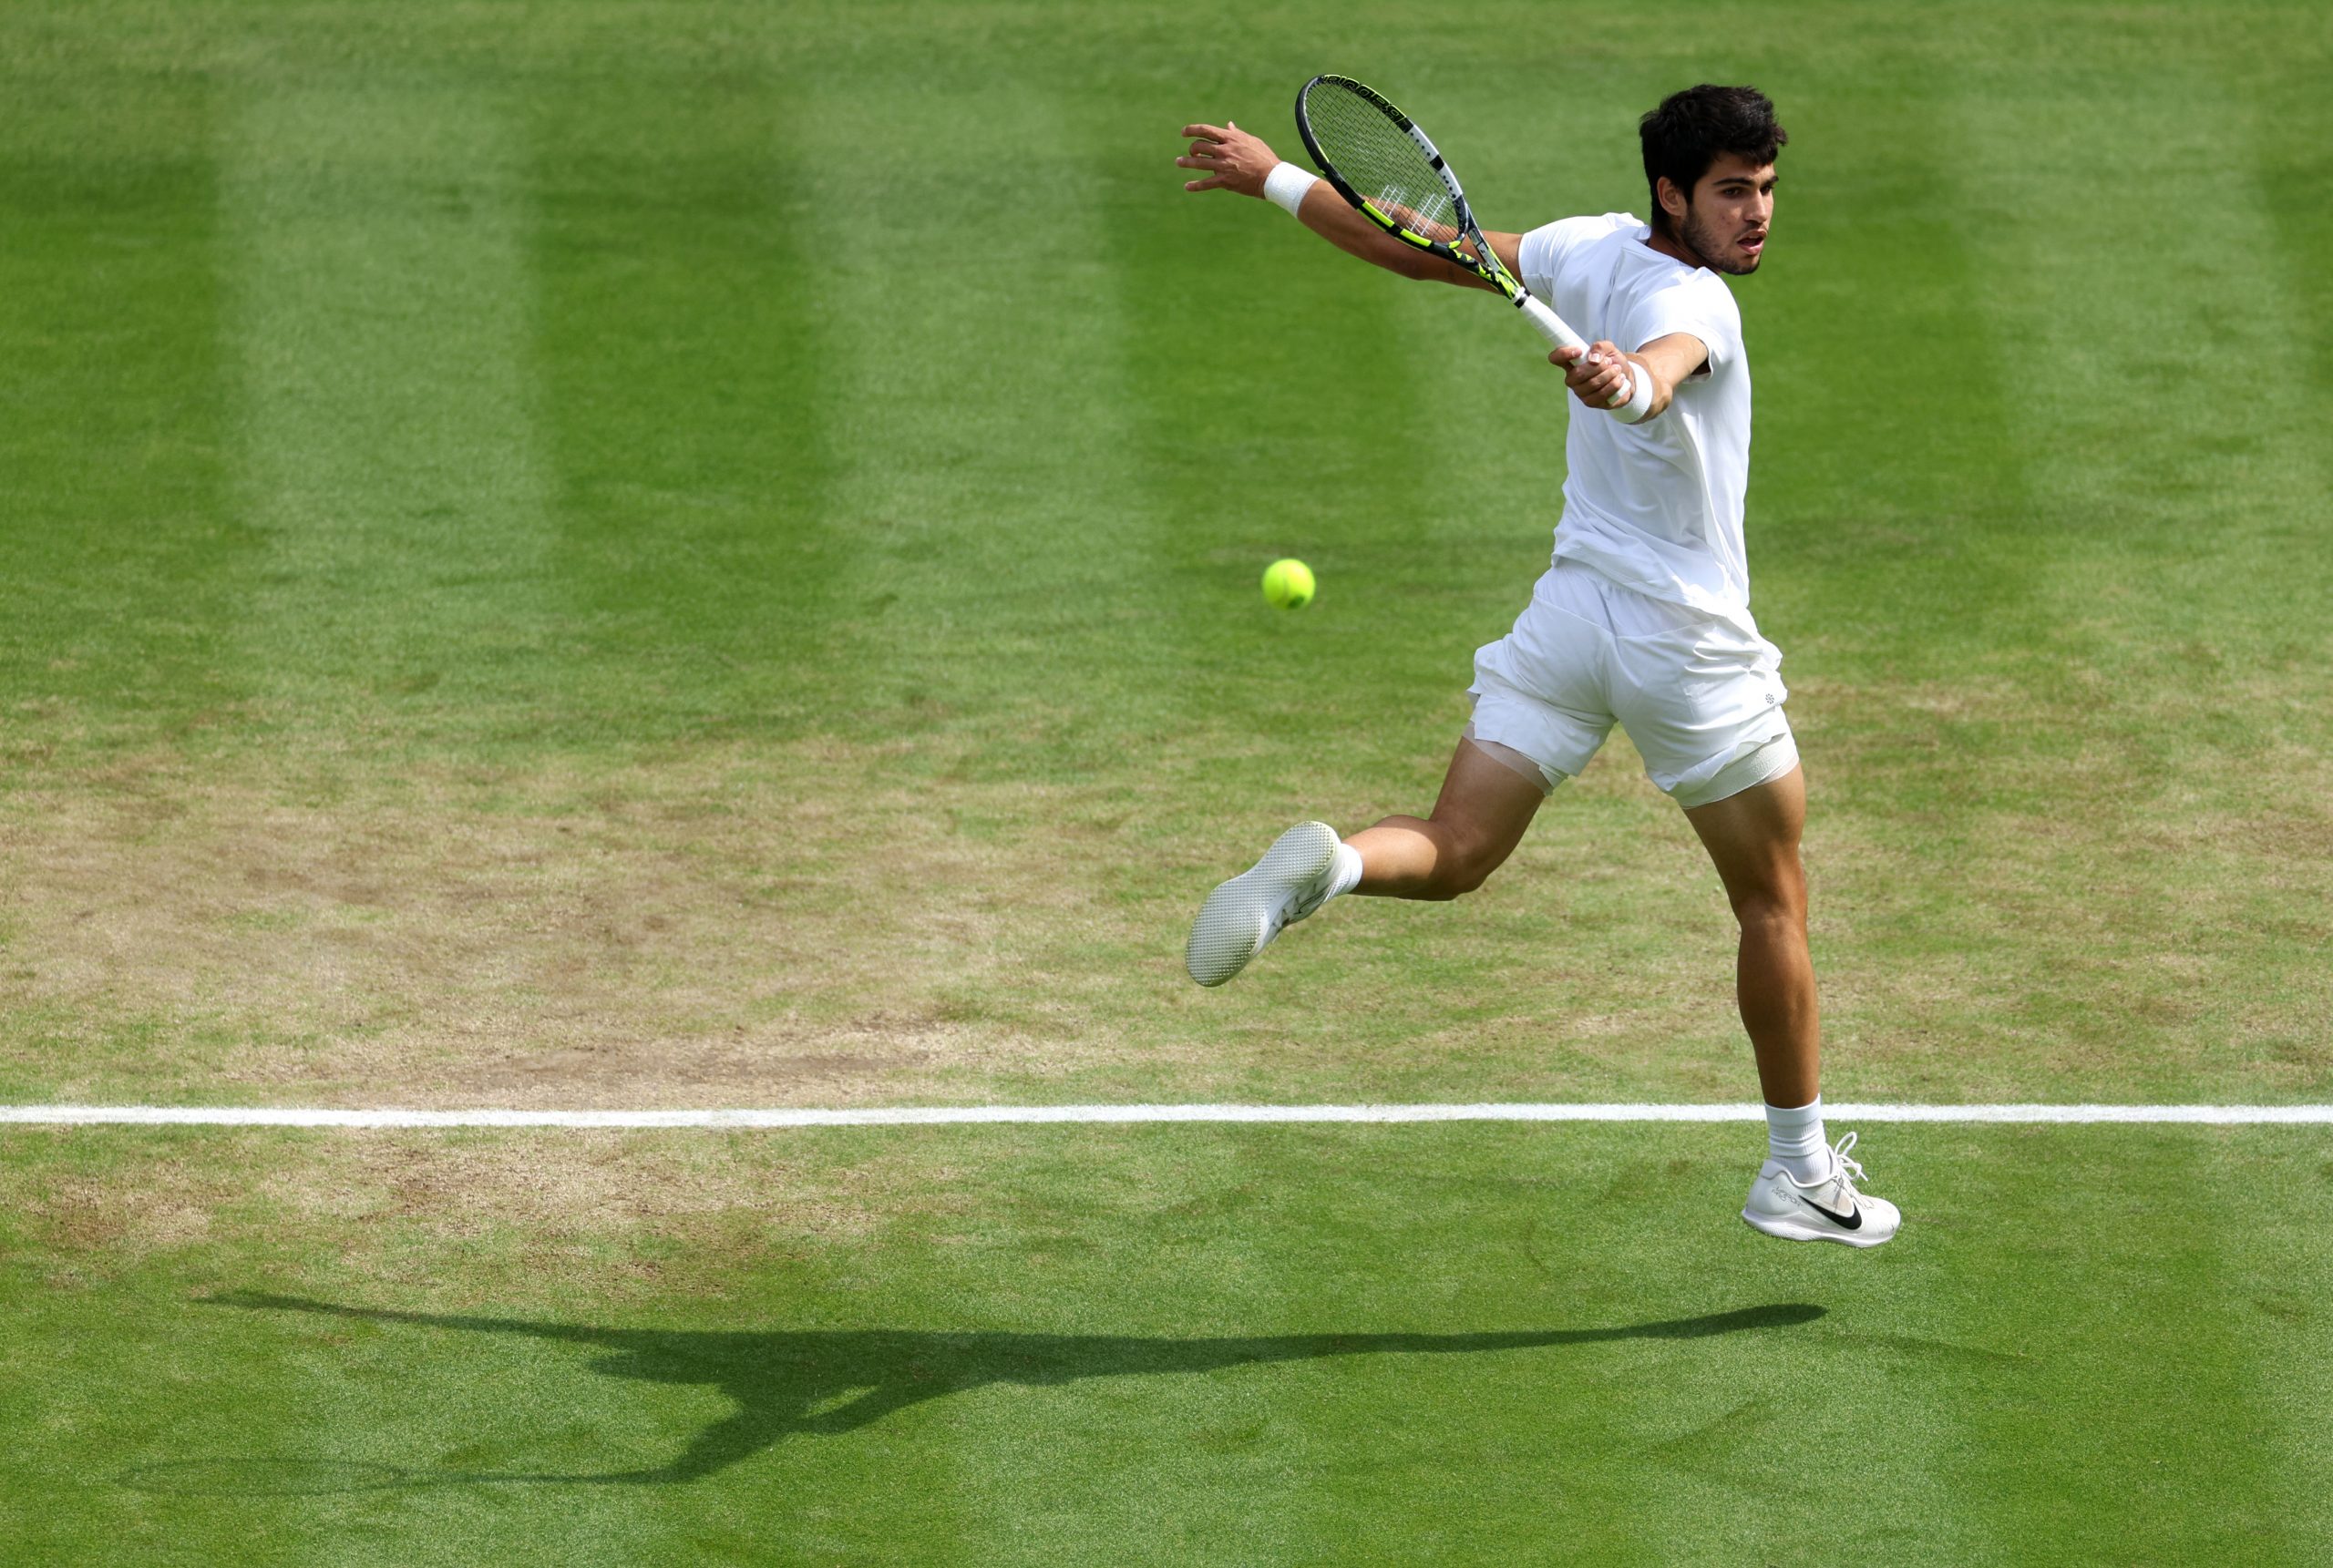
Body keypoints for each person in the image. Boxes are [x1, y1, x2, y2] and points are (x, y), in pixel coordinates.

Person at [1174, 85, 1897, 1247]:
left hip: (1568, 623)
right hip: (1684, 652)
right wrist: (1629, 384)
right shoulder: (1700, 302)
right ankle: (1798, 1171)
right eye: (1732, 192)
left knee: (1454, 847)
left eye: (1766, 189)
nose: (1758, 213)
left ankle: (1335, 866)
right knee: (1772, 899)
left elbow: (1422, 246)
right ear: (1672, 193)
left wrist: (1272, 176)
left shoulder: (1585, 245)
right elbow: (1663, 366)